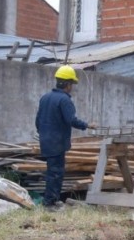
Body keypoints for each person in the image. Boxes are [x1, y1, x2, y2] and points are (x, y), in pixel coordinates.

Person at [35, 65, 95, 210]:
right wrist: (87, 125)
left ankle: (51, 200)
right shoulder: (64, 100)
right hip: (57, 143)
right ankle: (50, 203)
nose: (72, 87)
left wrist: (44, 134)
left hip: (46, 141)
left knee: (52, 171)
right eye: (72, 84)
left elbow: (38, 121)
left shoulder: (45, 98)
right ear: (68, 84)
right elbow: (71, 120)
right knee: (56, 173)